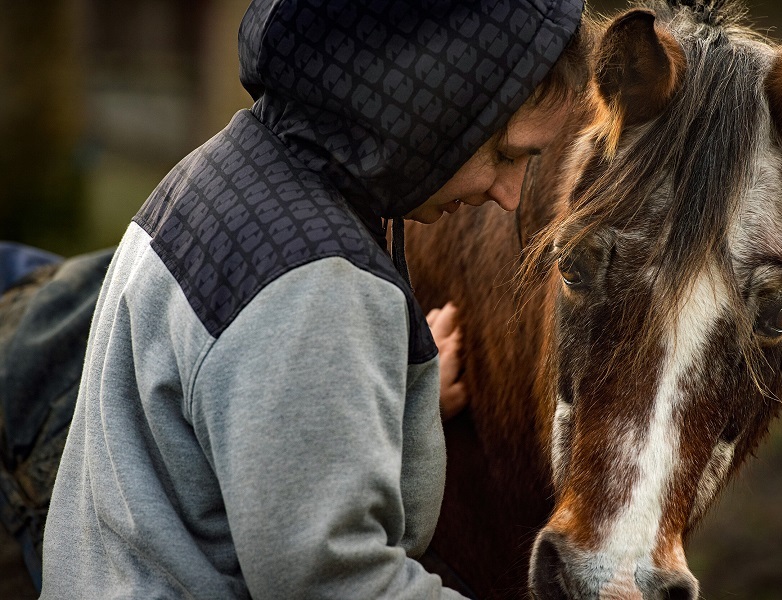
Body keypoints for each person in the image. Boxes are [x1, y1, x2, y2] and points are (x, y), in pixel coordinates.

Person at [39, 0, 593, 597]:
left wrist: (383, 400)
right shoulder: (313, 282)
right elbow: (335, 581)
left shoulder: (225, 175)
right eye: (506, 156)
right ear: (434, 108)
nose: (509, 195)